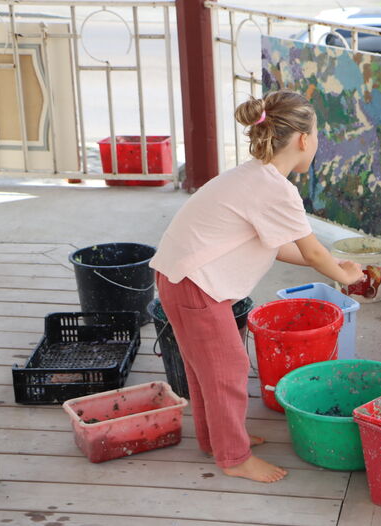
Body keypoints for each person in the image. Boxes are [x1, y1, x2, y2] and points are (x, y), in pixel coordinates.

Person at [150, 90, 364, 483]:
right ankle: (233, 457)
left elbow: (282, 247)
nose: (316, 142)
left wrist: (334, 264)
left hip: (178, 277)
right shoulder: (276, 189)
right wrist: (345, 274)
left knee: (205, 369)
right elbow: (314, 253)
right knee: (228, 368)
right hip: (197, 285)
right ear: (303, 139)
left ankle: (215, 439)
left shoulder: (255, 176)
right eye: (316, 134)